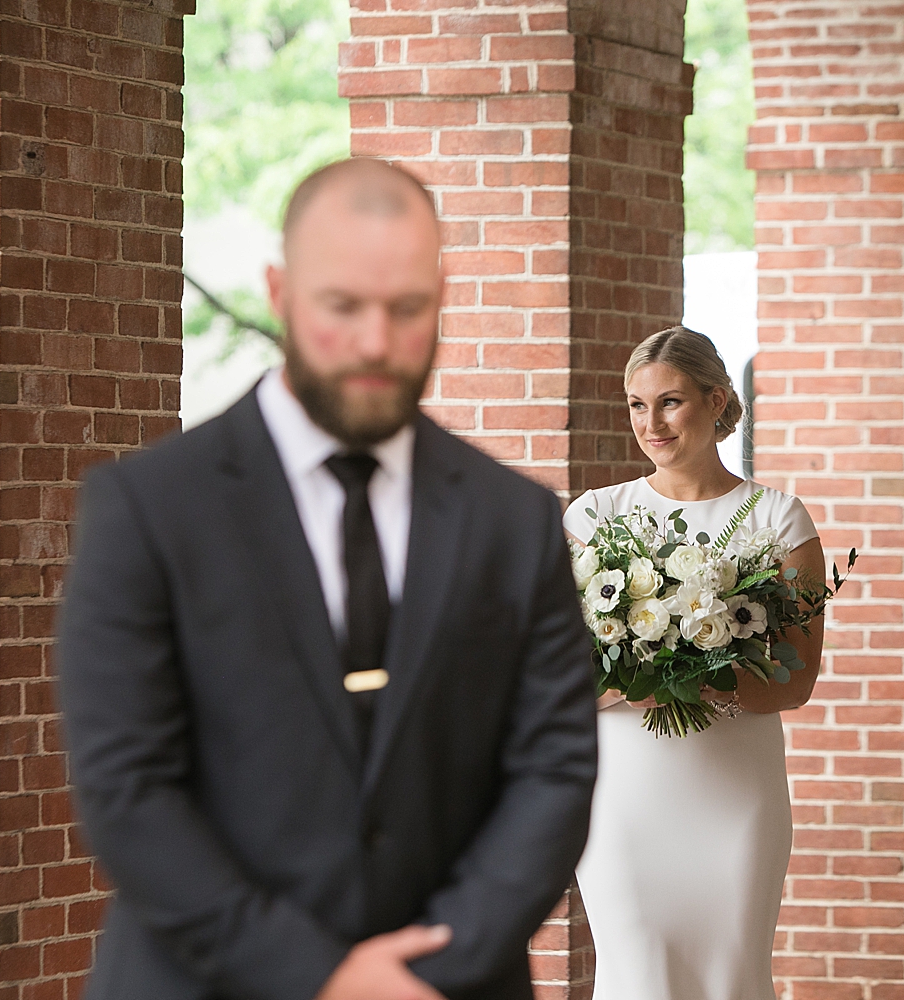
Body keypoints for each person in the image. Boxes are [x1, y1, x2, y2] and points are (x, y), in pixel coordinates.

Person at [57, 158, 598, 1000]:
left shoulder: (516, 522)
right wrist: (322, 979)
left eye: (407, 309)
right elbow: (127, 788)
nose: (375, 342)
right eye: (342, 307)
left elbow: (554, 771)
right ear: (280, 291)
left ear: (442, 297)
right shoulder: (147, 508)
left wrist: (428, 972)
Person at [563, 326, 826, 1000]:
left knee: (731, 980)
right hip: (623, 797)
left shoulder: (778, 520)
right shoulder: (594, 518)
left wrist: (694, 673)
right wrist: (637, 681)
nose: (651, 424)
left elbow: (794, 681)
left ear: (716, 401)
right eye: (635, 405)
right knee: (637, 975)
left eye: (670, 402)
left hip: (735, 795)